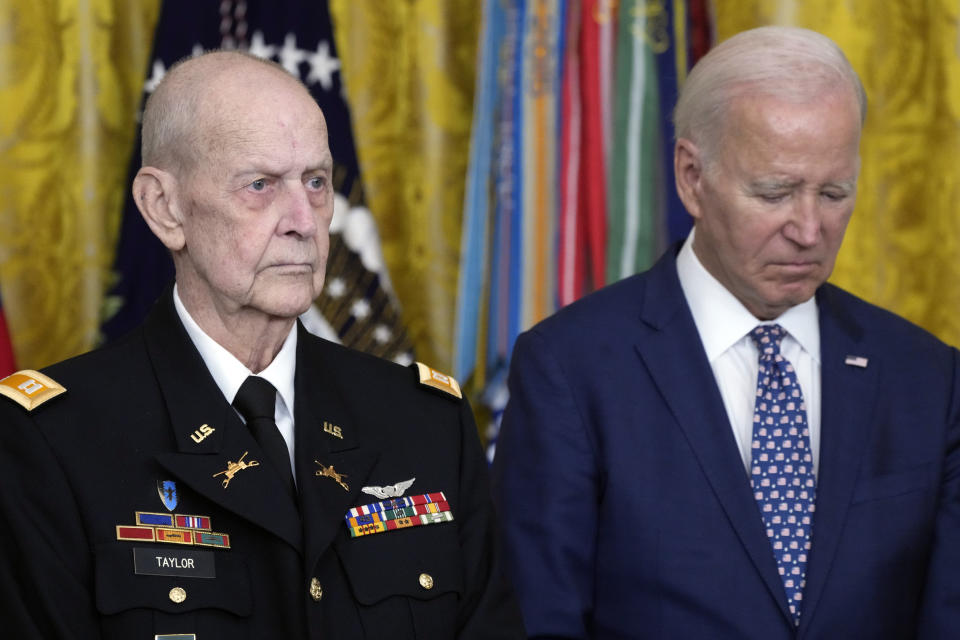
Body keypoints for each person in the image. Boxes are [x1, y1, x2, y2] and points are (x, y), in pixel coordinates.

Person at [0, 51, 524, 639]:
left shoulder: (425, 423)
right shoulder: (50, 442)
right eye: (260, 185)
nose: (304, 220)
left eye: (317, 182)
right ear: (164, 208)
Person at [492, 26, 960, 639]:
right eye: (775, 193)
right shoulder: (571, 370)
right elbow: (539, 622)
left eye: (834, 192)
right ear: (692, 177)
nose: (810, 228)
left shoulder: (928, 378)